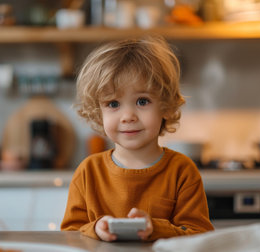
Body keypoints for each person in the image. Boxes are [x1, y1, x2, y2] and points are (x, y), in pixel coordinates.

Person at [61, 36, 214, 242]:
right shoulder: (88, 172)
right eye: (113, 104)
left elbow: (200, 235)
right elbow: (70, 235)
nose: (128, 116)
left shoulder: (182, 171)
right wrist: (96, 228)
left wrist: (155, 228)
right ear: (98, 113)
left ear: (166, 106)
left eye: (142, 101)